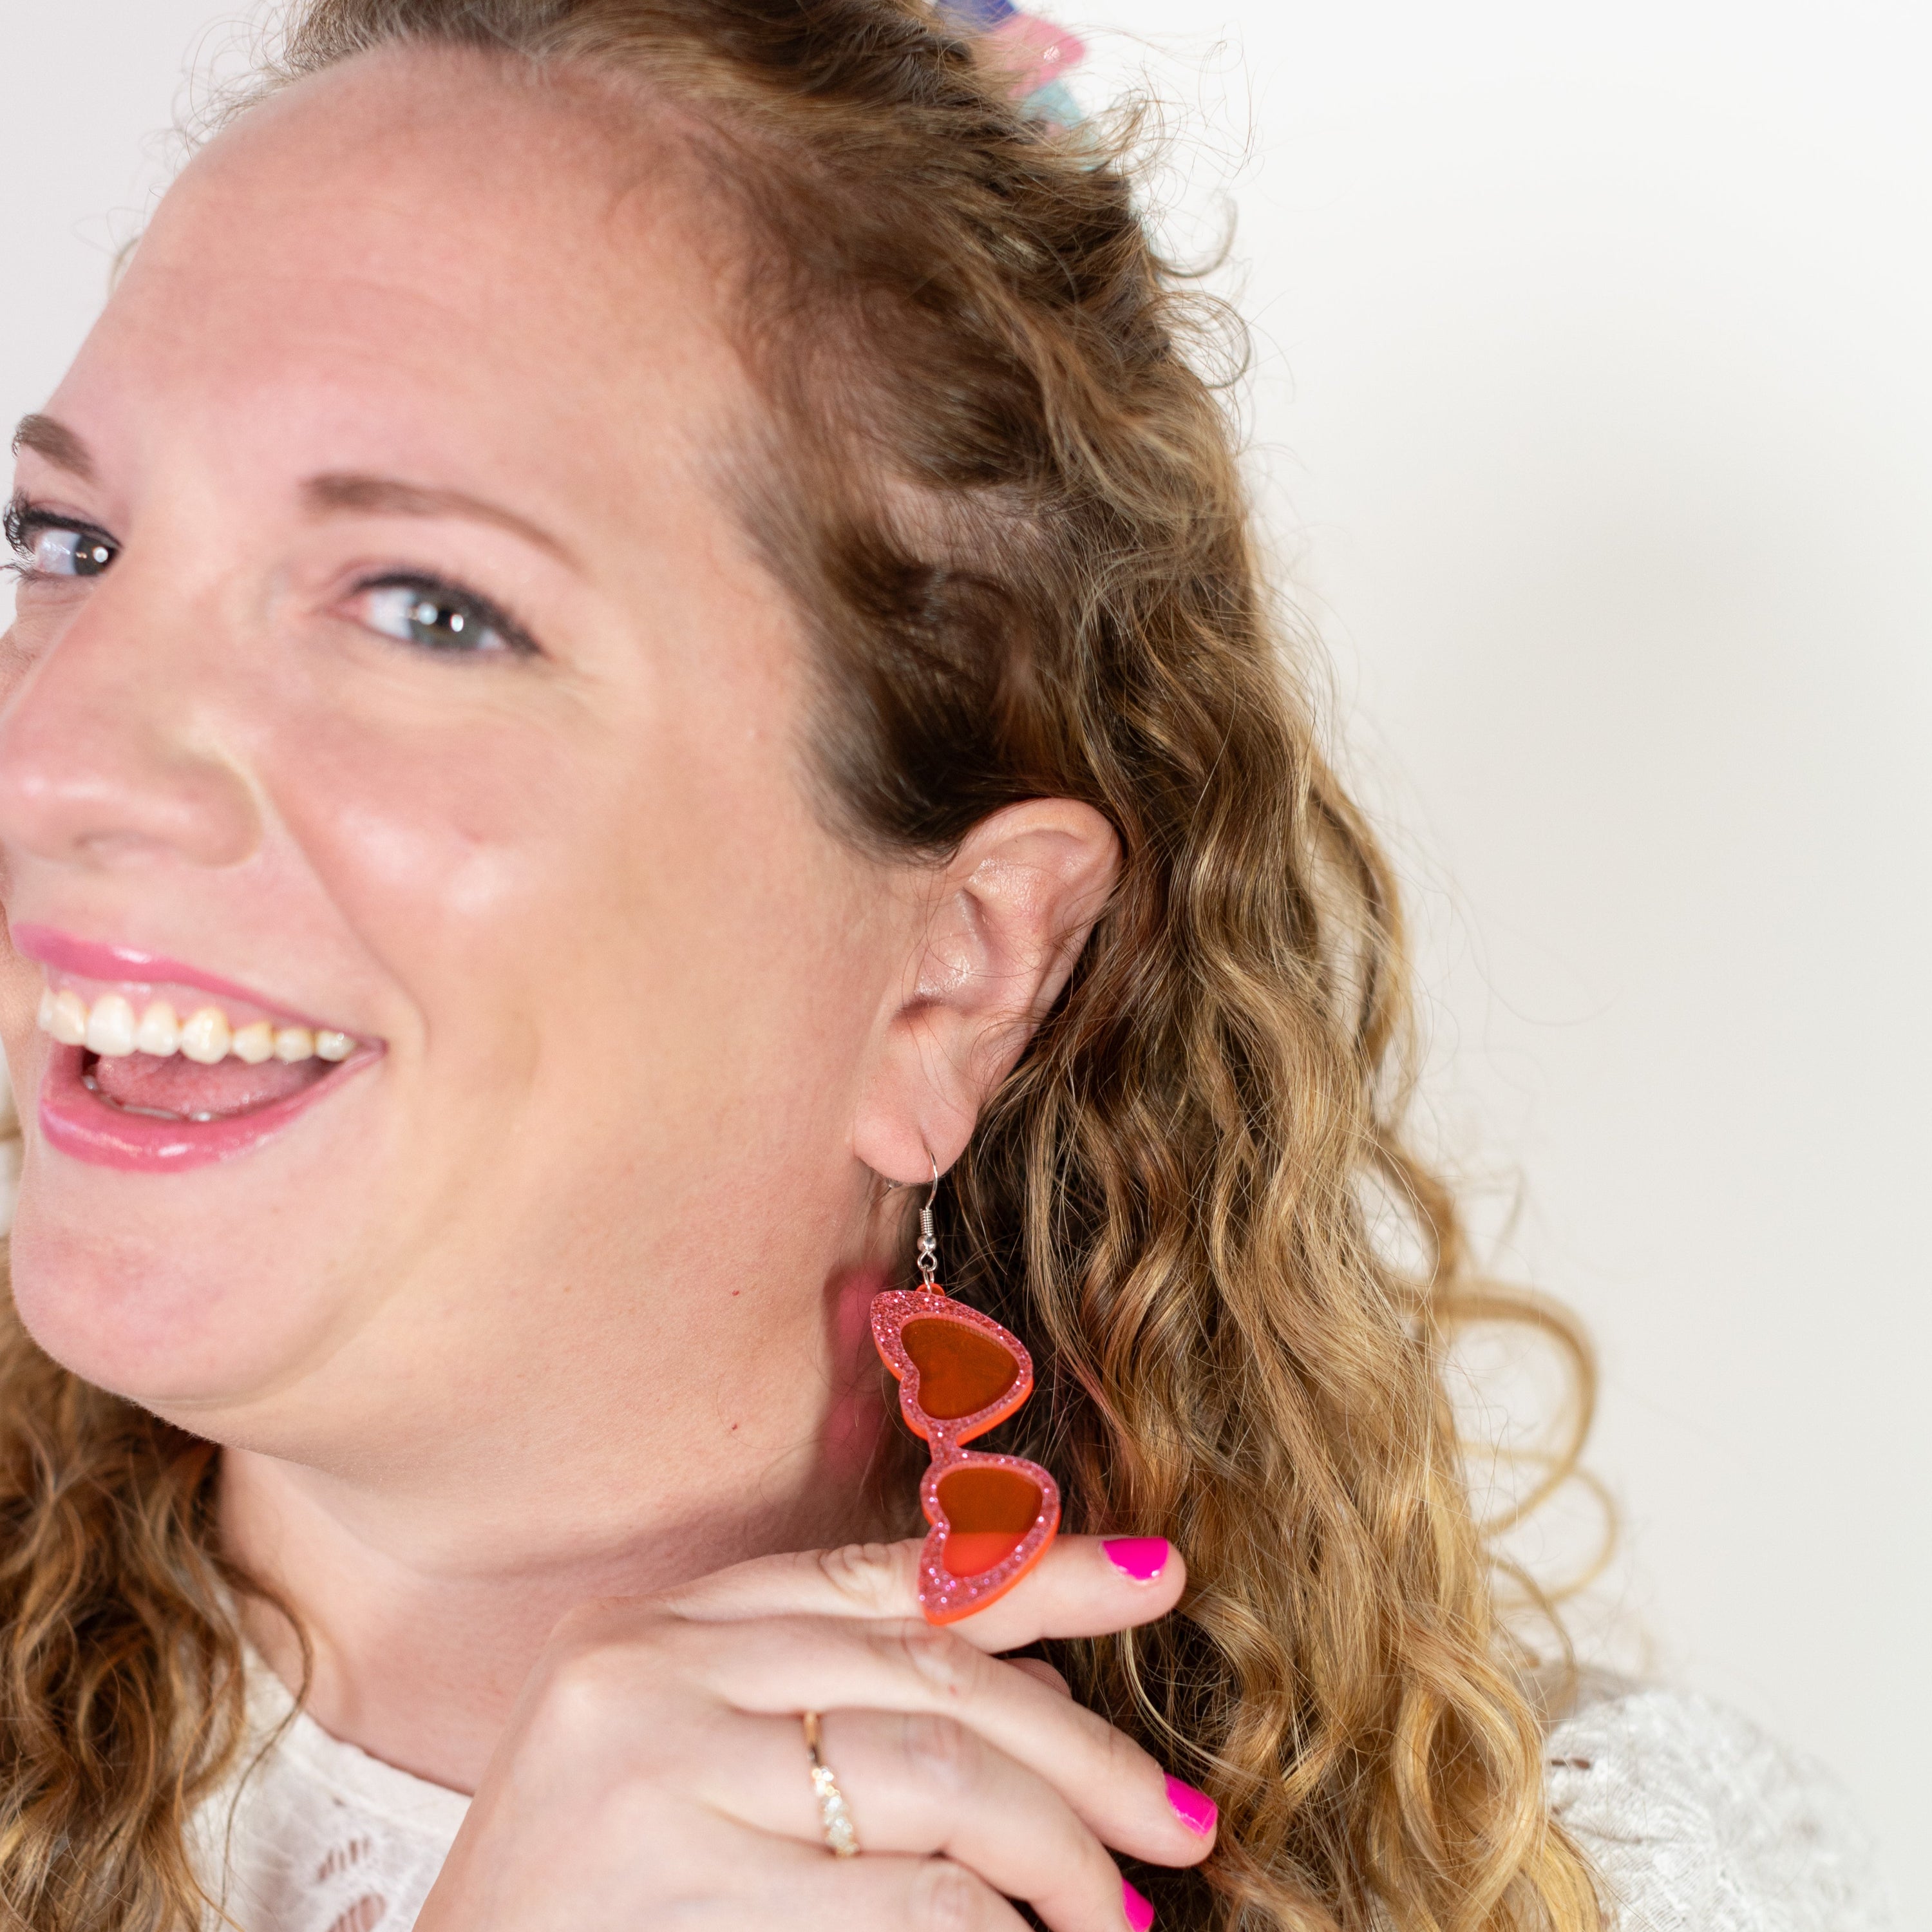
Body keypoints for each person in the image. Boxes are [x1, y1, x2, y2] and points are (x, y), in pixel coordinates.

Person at [0, 3, 1890, 1929]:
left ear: (961, 970)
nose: (51, 754)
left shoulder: (1584, 1882)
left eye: (425, 609)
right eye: (64, 542)